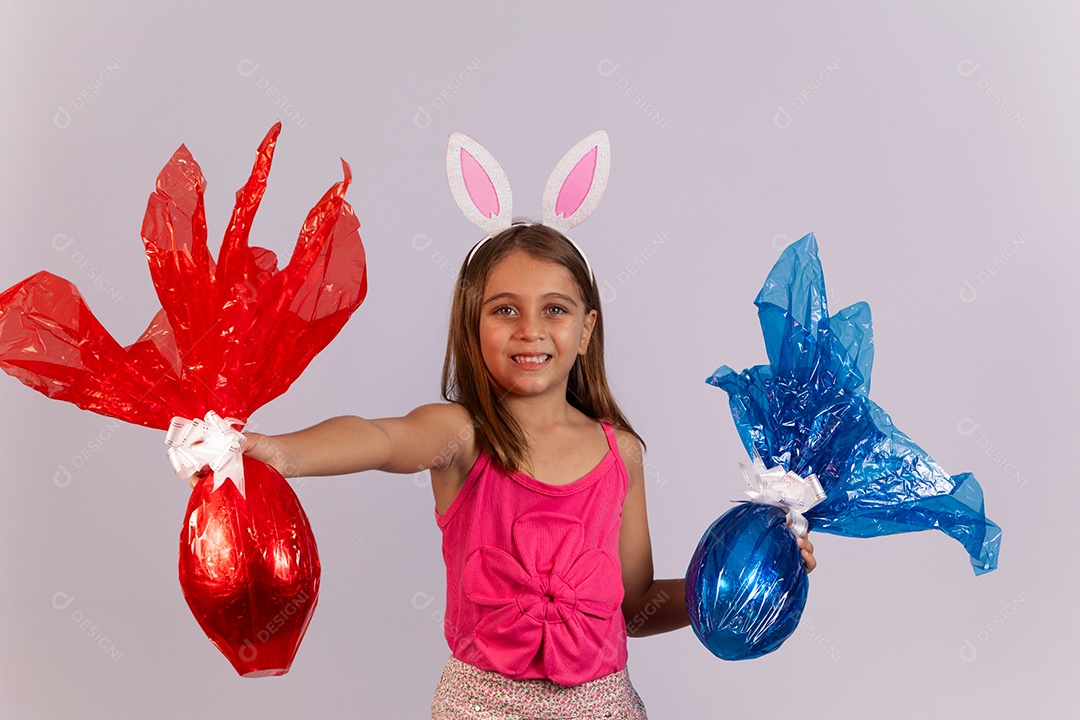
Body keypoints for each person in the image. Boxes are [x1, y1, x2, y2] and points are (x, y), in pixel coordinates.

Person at [217, 222, 816, 718]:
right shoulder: (460, 435)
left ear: (586, 330)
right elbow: (379, 439)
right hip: (479, 708)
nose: (530, 329)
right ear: (472, 326)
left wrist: (737, 581)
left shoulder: (621, 454)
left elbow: (634, 607)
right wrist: (276, 452)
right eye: (505, 309)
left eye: (554, 309)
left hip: (605, 708)